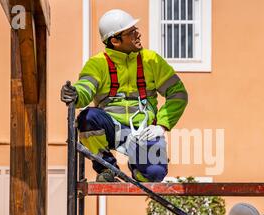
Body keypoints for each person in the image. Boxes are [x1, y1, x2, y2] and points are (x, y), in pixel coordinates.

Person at [61, 9, 188, 182]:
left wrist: (163, 125)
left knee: (155, 174)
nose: (138, 34)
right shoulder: (98, 64)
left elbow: (178, 93)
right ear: (115, 40)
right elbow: (85, 88)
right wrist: (75, 94)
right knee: (87, 118)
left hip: (145, 130)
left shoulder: (152, 60)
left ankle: (139, 167)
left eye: (136, 29)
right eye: (131, 32)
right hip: (112, 128)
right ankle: (106, 168)